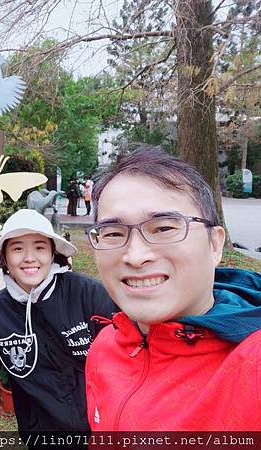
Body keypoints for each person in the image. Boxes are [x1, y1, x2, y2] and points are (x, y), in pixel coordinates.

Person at [85, 148, 261, 431]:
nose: (135, 255)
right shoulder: (105, 346)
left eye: (164, 228)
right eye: (114, 233)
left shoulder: (252, 366)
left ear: (214, 245)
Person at [0, 209, 116, 434]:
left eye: (39, 247)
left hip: (102, 433)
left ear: (52, 253)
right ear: (5, 259)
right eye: (17, 248)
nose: (29, 257)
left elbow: (125, 361)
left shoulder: (87, 293)